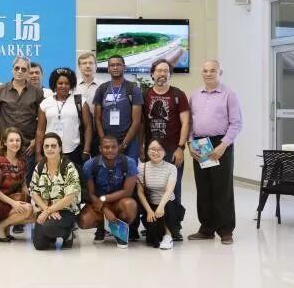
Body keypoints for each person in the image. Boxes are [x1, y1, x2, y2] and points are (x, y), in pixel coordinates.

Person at [187, 59, 242, 245]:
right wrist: (190, 143)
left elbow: (236, 123)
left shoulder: (229, 95)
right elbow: (190, 123)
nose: (208, 73)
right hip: (200, 143)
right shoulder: (195, 95)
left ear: (220, 73)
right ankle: (207, 229)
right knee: (204, 188)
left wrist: (223, 145)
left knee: (222, 188)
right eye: (205, 70)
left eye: (212, 70)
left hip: (220, 143)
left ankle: (226, 230)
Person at [142, 59, 190, 212]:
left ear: (170, 74)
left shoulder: (178, 95)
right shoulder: (145, 94)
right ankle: (153, 221)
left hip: (172, 151)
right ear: (152, 74)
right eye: (159, 71)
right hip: (151, 150)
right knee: (151, 188)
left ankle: (174, 223)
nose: (162, 74)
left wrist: (181, 148)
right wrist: (141, 147)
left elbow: (186, 123)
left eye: (165, 71)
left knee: (173, 189)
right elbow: (141, 123)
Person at [79, 135, 139, 248]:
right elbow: (90, 194)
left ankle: (118, 232)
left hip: (119, 202)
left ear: (118, 147)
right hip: (98, 204)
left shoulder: (129, 162)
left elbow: (127, 192)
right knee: (84, 221)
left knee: (130, 205)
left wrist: (104, 199)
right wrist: (104, 209)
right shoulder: (90, 165)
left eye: (113, 147)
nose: (110, 150)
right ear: (100, 149)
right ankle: (102, 227)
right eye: (106, 147)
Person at [29, 132, 82, 250]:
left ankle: (67, 234)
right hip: (46, 208)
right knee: (39, 245)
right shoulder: (40, 166)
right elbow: (34, 192)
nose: (50, 149)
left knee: (49, 227)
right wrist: (46, 209)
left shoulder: (68, 167)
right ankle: (51, 235)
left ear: (60, 148)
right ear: (43, 148)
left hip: (65, 210)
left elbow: (70, 197)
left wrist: (48, 211)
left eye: (53, 146)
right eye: (46, 146)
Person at [36, 67, 92, 175]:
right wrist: (38, 153)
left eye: (67, 83)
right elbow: (40, 130)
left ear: (71, 85)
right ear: (54, 84)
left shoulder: (80, 102)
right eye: (60, 83)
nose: (63, 86)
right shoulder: (45, 103)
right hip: (50, 150)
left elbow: (88, 127)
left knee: (73, 180)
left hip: (74, 151)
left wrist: (86, 150)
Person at [0, 56, 43, 161]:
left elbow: (42, 120)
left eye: (23, 69)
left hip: (28, 147)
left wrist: (35, 141)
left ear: (28, 72)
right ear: (12, 69)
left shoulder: (37, 92)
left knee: (26, 172)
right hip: (6, 146)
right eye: (17, 68)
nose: (19, 71)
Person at [93, 55, 143, 163]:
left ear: (124, 67)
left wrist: (124, 144)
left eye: (118, 65)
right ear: (108, 69)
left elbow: (136, 122)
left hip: (129, 142)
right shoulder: (102, 89)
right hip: (107, 142)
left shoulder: (133, 89)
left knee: (130, 170)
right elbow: (97, 119)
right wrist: (104, 141)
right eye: (112, 65)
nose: (115, 67)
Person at [136, 140, 181, 249]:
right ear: (147, 151)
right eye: (153, 149)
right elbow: (140, 192)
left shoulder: (171, 168)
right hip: (151, 204)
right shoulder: (141, 167)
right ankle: (157, 231)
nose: (156, 152)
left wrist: (161, 207)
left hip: (167, 204)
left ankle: (168, 236)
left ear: (165, 152)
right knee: (152, 241)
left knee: (168, 206)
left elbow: (169, 191)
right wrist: (149, 211)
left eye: (160, 149)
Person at [0, 128, 33, 241]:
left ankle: (5, 227)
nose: (15, 143)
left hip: (15, 199)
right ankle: (0, 227)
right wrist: (14, 203)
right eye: (11, 140)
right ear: (5, 142)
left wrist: (33, 200)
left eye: (18, 140)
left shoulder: (22, 161)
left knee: (35, 213)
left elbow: (23, 185)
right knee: (27, 209)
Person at [76, 52, 100, 157]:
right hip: (78, 133)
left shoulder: (104, 86)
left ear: (96, 66)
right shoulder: (73, 87)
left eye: (90, 63)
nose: (87, 66)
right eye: (84, 63)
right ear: (79, 67)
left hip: (99, 132)